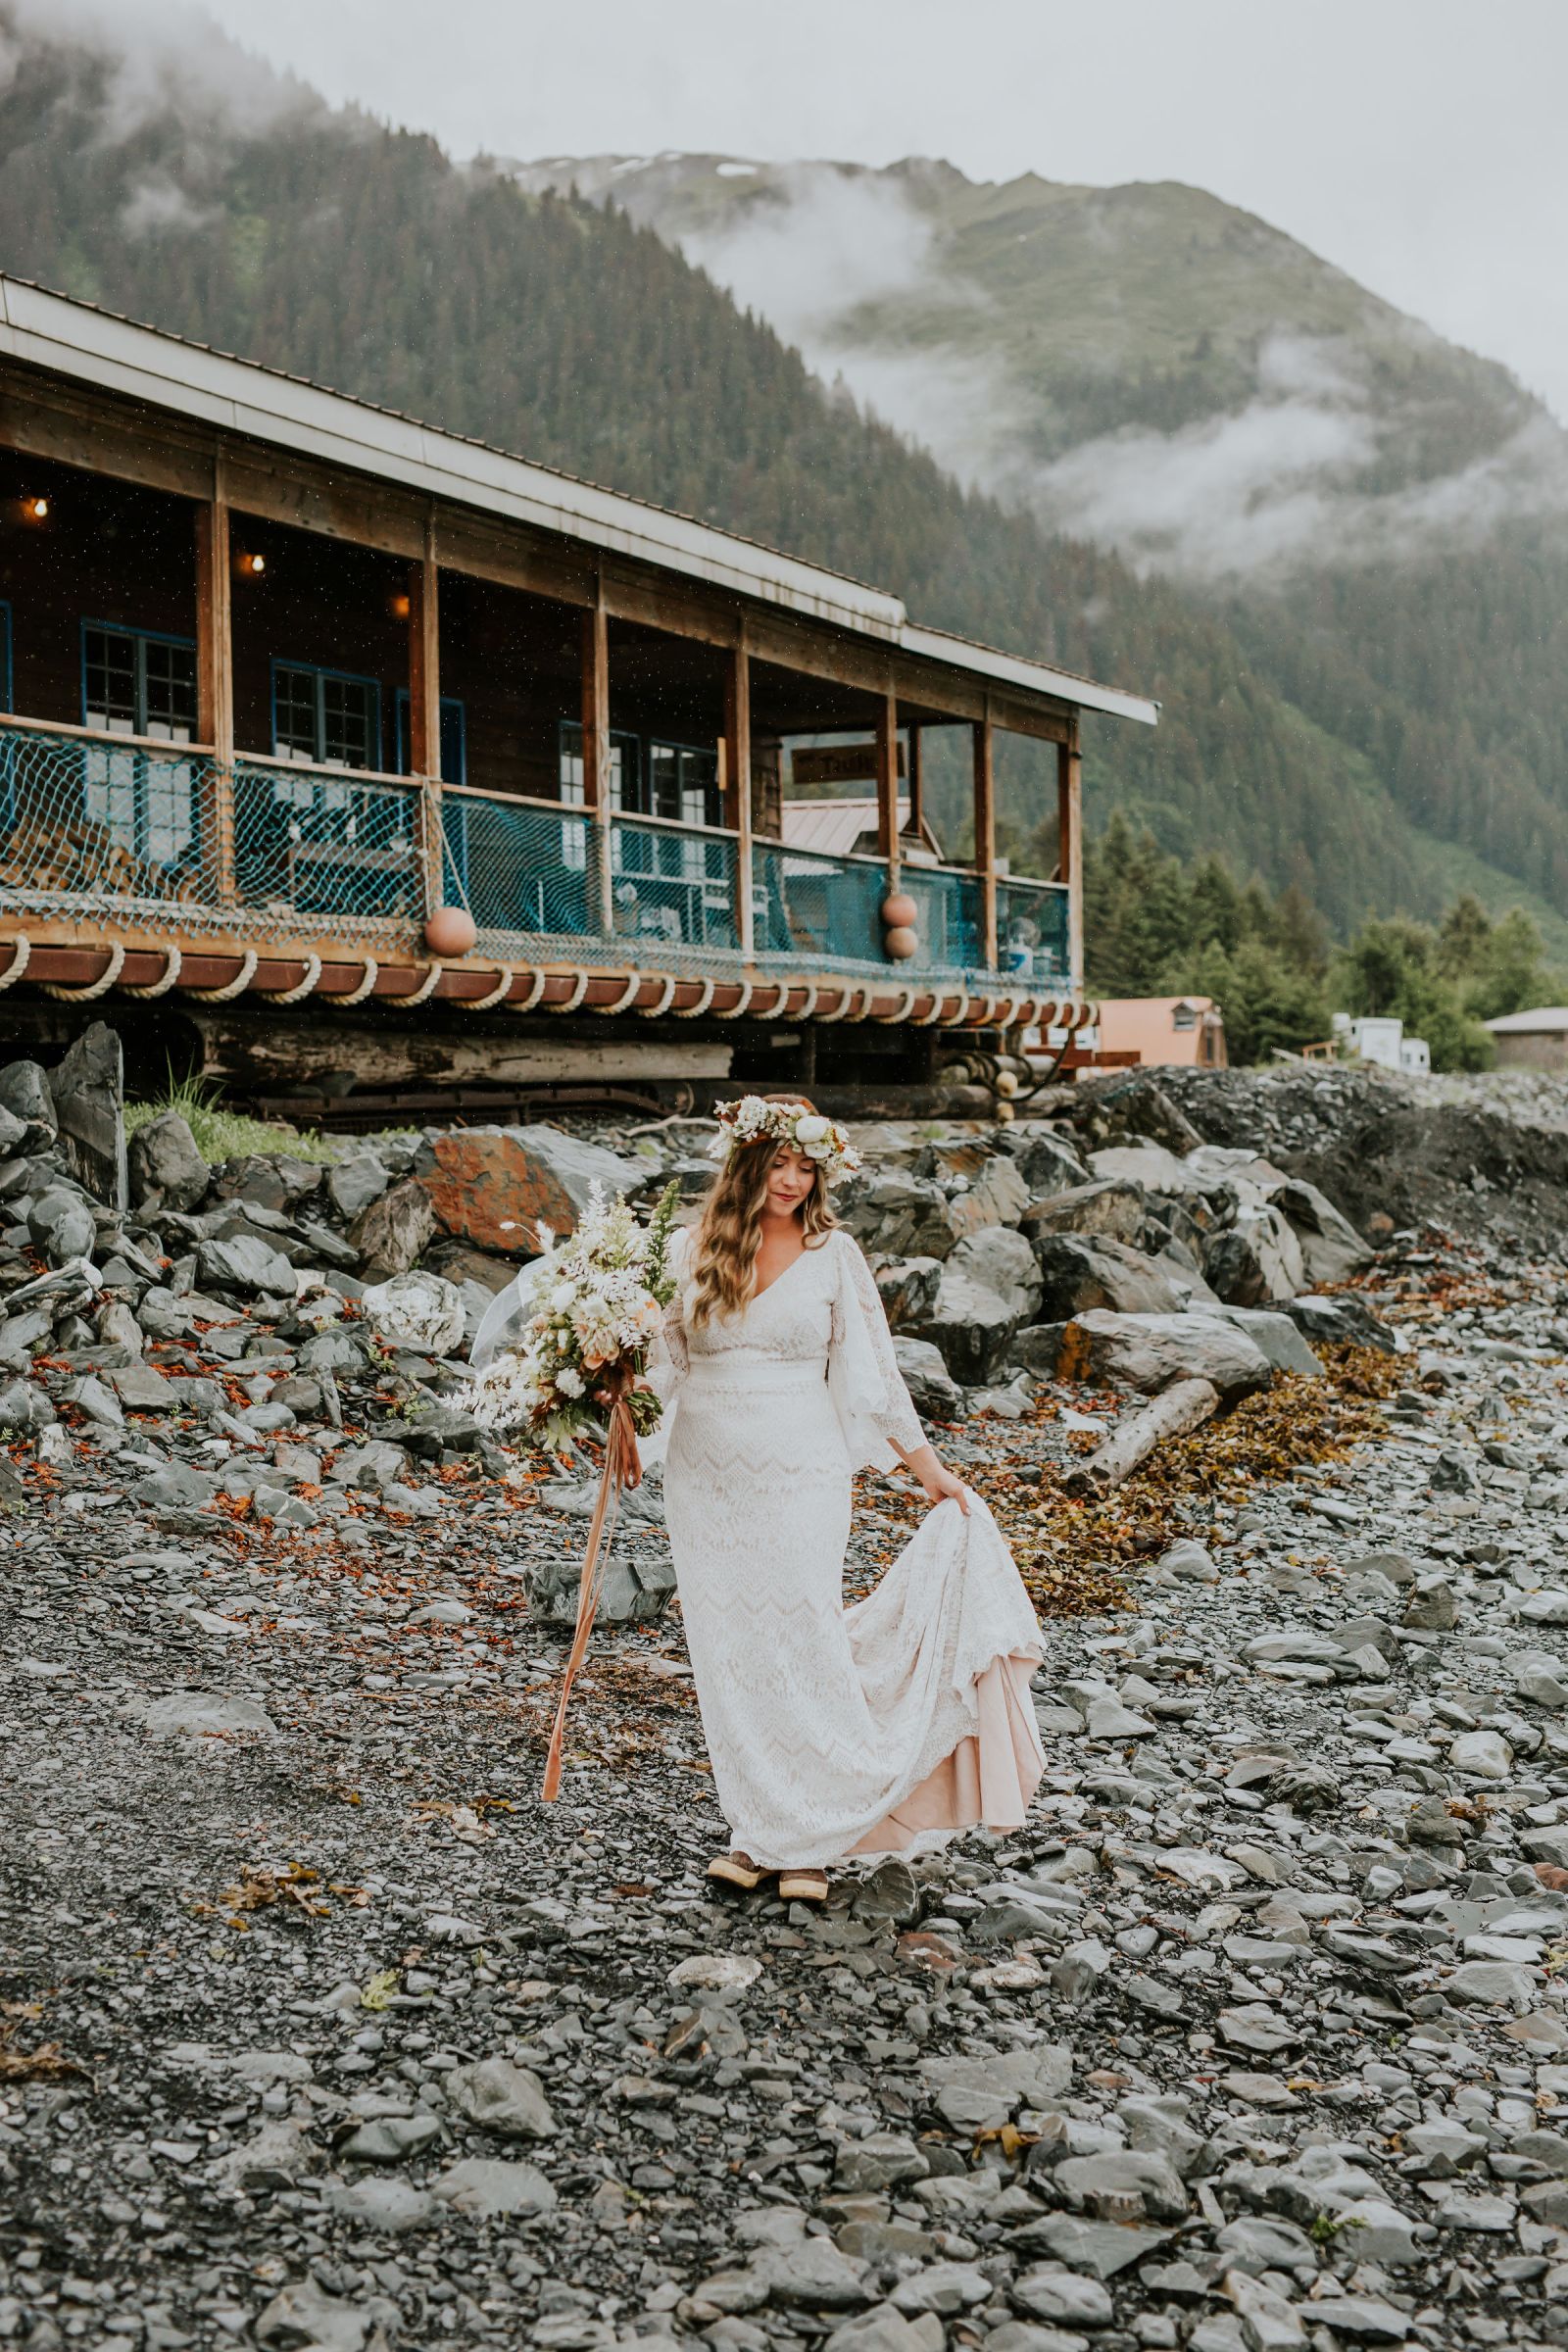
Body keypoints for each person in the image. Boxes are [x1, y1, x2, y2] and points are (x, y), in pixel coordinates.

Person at [650, 1093, 1045, 1903]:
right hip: (706, 1475)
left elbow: (875, 1376)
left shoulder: (834, 1254)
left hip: (801, 1470)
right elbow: (663, 1360)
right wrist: (616, 1410)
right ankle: (759, 1832)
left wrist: (927, 1469)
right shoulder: (690, 1247)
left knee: (802, 1635)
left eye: (807, 1167)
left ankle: (815, 1837)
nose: (792, 1181)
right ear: (747, 1163)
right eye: (779, 1163)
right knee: (729, 1651)